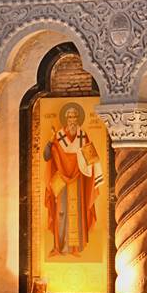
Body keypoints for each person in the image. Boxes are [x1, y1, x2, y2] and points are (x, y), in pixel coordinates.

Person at [44, 104, 103, 257]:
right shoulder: (58, 137)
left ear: (78, 119)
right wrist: (50, 142)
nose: (72, 120)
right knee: (60, 213)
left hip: (77, 182)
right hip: (60, 182)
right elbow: (46, 156)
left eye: (74, 117)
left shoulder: (83, 137)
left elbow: (92, 159)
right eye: (69, 117)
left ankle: (74, 248)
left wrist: (94, 167)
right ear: (65, 119)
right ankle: (59, 247)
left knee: (77, 213)